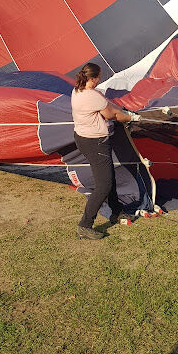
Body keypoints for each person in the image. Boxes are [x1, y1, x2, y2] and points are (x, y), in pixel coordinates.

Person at [71, 63, 140, 240]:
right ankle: (84, 225)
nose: (100, 79)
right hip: (96, 143)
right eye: (99, 77)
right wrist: (131, 117)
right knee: (104, 185)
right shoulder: (92, 96)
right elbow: (112, 115)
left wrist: (120, 110)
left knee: (108, 177)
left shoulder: (77, 90)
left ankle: (116, 212)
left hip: (84, 138)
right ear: (93, 78)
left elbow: (107, 105)